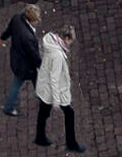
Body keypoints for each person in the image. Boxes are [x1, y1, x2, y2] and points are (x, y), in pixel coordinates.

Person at [33, 23, 83, 152]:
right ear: (66, 38)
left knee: (43, 111)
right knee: (69, 113)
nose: (71, 43)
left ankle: (40, 136)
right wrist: (56, 101)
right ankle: (71, 143)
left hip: (44, 86)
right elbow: (54, 79)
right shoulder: (58, 56)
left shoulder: (50, 42)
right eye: (71, 40)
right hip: (52, 90)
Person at [0, 2, 42, 120]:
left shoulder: (17, 18)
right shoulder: (28, 37)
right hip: (26, 66)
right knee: (36, 81)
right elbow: (34, 55)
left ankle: (9, 107)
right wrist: (42, 66)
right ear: (31, 20)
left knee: (18, 83)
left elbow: (9, 30)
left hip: (16, 60)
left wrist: (2, 38)